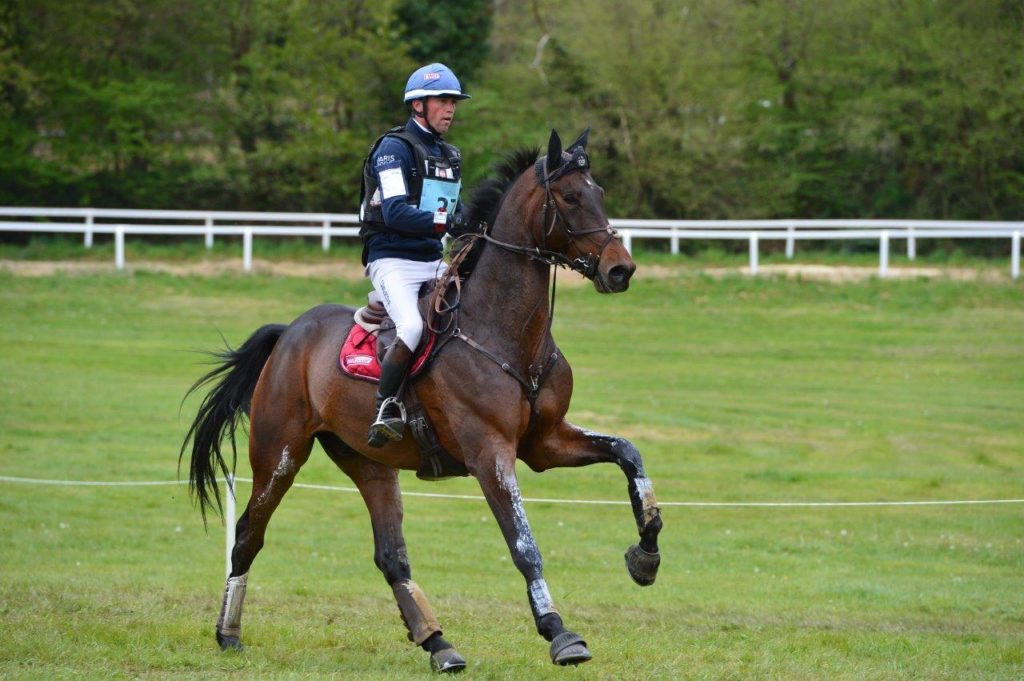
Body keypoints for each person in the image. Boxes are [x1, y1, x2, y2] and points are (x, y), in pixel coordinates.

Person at [358, 63, 470, 448]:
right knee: (411, 328)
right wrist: (446, 222)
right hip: (392, 260)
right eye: (443, 100)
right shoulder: (393, 149)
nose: (450, 109)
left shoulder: (450, 155)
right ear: (418, 105)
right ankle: (385, 405)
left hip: (433, 259)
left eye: (453, 101)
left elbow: (455, 211)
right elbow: (395, 212)